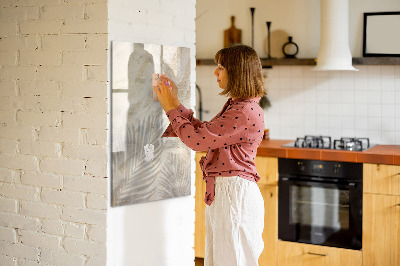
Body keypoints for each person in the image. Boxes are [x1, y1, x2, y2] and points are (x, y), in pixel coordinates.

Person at [153, 44, 266, 266]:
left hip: (234, 195)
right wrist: (175, 104)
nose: (215, 72)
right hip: (228, 193)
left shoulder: (243, 111)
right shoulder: (239, 106)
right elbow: (205, 133)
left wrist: (169, 108)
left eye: (221, 67)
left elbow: (197, 141)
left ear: (237, 71)